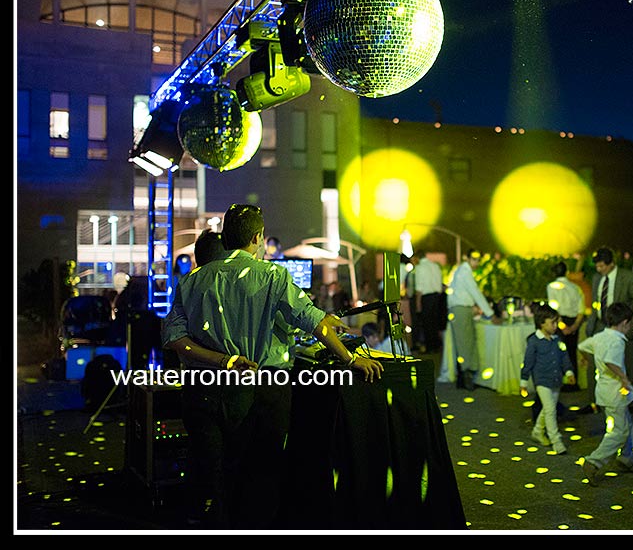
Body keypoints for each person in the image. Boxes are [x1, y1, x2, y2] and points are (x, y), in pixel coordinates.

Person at [162, 203, 384, 529]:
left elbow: (175, 339)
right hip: (262, 390)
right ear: (257, 238)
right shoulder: (272, 275)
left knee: (211, 474)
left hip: (203, 390)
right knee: (260, 475)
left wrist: (222, 360)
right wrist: (350, 358)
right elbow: (314, 323)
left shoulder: (191, 281)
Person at [578, 302, 633, 486]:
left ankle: (626, 458)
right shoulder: (617, 341)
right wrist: (624, 379)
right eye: (629, 324)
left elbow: (582, 346)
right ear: (625, 323)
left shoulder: (600, 337)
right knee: (618, 432)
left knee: (626, 423)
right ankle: (593, 462)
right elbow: (611, 361)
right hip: (614, 392)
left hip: (603, 390)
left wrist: (586, 359)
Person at [579, 247, 633, 414]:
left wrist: (632, 327)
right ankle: (594, 402)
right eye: (597, 266)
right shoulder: (597, 278)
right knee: (595, 364)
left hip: (621, 327)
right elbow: (596, 303)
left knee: (628, 362)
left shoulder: (628, 277)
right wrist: (591, 325)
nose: (599, 269)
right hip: (600, 325)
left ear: (611, 264)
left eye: (602, 266)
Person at [519, 303, 576, 455]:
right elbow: (528, 362)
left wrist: (569, 372)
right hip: (542, 381)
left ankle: (537, 431)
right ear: (541, 323)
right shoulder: (534, 341)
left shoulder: (557, 340)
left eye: (557, 322)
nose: (556, 326)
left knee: (548, 409)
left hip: (556, 380)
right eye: (553, 322)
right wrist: (523, 382)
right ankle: (556, 440)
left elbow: (564, 356)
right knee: (550, 409)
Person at [446, 249, 497, 391]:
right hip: (461, 310)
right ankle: (466, 379)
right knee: (465, 343)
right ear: (467, 258)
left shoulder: (462, 270)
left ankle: (464, 378)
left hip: (461, 310)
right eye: (474, 259)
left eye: (478, 259)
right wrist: (490, 313)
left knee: (465, 342)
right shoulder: (464, 271)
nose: (477, 262)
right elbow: (475, 292)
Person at [546, 260, 586, 392]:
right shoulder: (576, 287)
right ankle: (573, 382)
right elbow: (581, 310)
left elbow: (553, 308)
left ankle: (561, 381)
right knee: (571, 352)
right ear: (567, 272)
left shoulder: (551, 287)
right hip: (573, 321)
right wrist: (574, 326)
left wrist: (561, 325)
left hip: (559, 322)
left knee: (559, 353)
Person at [410, 250, 445, 355]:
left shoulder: (419, 268)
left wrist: (418, 305)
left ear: (417, 258)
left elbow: (419, 289)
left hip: (426, 298)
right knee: (435, 322)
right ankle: (436, 346)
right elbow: (440, 284)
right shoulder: (435, 266)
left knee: (427, 323)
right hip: (437, 297)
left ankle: (429, 347)